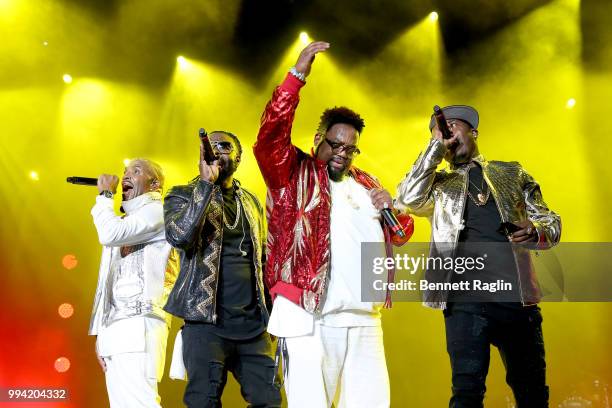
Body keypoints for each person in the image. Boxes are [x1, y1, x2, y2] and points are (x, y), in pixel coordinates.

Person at [253, 41, 414, 408]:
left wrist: (395, 210)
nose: (342, 153)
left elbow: (402, 235)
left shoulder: (367, 183)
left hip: (364, 318)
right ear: (318, 141)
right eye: (335, 144)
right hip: (310, 315)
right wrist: (297, 77)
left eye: (350, 148)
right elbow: (269, 139)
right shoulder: (293, 173)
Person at [395, 105, 561, 407]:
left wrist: (536, 230)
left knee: (532, 391)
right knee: (467, 392)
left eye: (453, 126)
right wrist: (434, 149)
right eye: (437, 132)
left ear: (474, 132)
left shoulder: (512, 171)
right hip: (464, 302)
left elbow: (552, 222)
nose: (445, 133)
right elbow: (406, 199)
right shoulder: (439, 185)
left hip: (516, 299)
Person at [163, 131, 281, 408]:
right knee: (203, 402)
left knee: (270, 401)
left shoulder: (250, 202)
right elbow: (179, 236)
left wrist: (272, 314)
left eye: (224, 146)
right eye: (210, 146)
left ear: (238, 158)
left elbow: (262, 259)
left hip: (253, 326)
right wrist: (205, 185)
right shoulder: (181, 195)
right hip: (206, 324)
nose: (216, 150)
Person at [89, 158, 178, 408]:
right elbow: (109, 286)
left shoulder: (157, 210)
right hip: (119, 329)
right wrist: (103, 335)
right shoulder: (126, 220)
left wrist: (106, 195)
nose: (126, 176)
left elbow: (109, 234)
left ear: (154, 184)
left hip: (141, 325)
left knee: (141, 402)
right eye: (125, 172)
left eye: (135, 172)